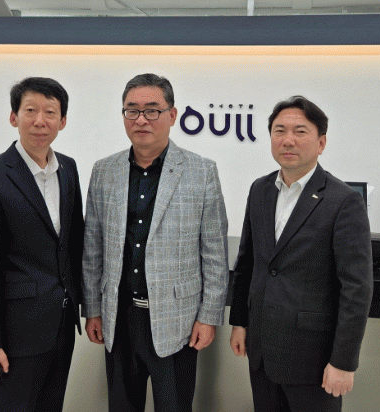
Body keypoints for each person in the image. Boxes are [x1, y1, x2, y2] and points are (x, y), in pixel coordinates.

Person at [82, 73, 229, 412]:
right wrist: (92, 308)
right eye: (132, 110)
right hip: (118, 318)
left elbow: (214, 253)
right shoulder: (104, 171)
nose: (141, 119)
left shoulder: (201, 171)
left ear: (172, 115)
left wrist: (209, 316)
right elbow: (93, 248)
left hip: (177, 320)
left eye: (152, 110)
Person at [229, 96, 373, 412]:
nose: (288, 140)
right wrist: (239, 322)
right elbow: (247, 262)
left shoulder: (343, 200)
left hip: (314, 359)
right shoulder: (259, 189)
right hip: (262, 350)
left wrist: (343, 361)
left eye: (300, 131)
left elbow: (356, 288)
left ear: (321, 143)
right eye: (279, 131)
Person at [0, 77, 84, 411]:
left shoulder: (68, 169)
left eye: (50, 112)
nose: (40, 121)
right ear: (13, 117)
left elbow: (72, 245)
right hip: (14, 336)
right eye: (30, 110)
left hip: (61, 327)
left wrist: (87, 307)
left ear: (62, 121)